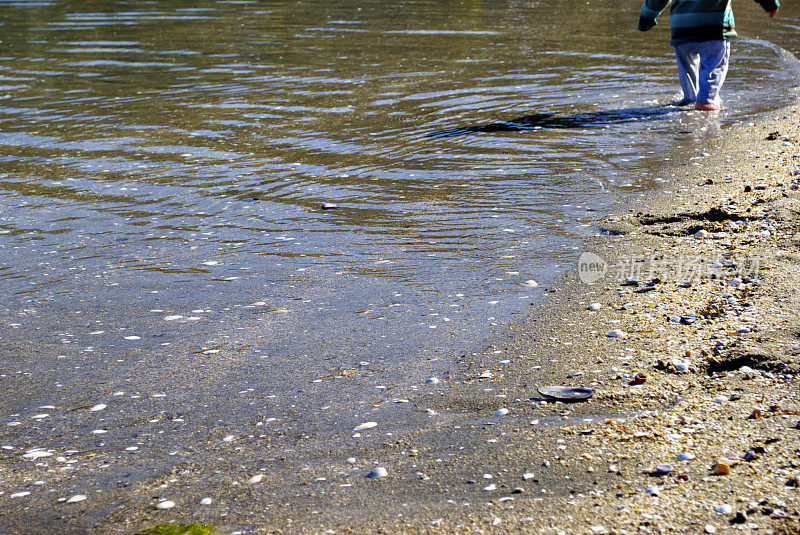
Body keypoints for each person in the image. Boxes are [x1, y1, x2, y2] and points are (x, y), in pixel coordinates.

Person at [638, 0, 780, 111]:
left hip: (681, 29)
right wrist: (769, 3)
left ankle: (690, 98)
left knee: (687, 69)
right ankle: (706, 101)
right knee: (714, 64)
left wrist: (646, 16)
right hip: (713, 28)